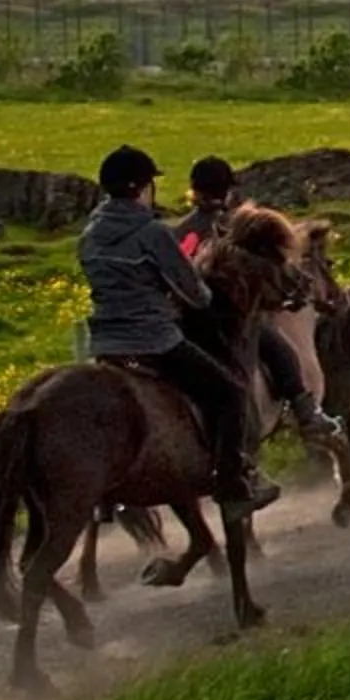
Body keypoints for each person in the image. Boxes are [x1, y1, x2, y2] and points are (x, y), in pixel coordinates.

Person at [78, 147, 279, 511]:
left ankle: (102, 500)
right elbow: (194, 294)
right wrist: (203, 292)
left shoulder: (89, 235)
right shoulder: (152, 233)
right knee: (230, 392)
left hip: (105, 344)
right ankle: (232, 481)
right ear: (141, 188)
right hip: (154, 342)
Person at [174, 156, 347, 449]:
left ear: (194, 190)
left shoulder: (178, 231)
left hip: (181, 320)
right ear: (227, 191)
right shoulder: (234, 227)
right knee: (282, 353)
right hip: (229, 317)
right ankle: (305, 413)